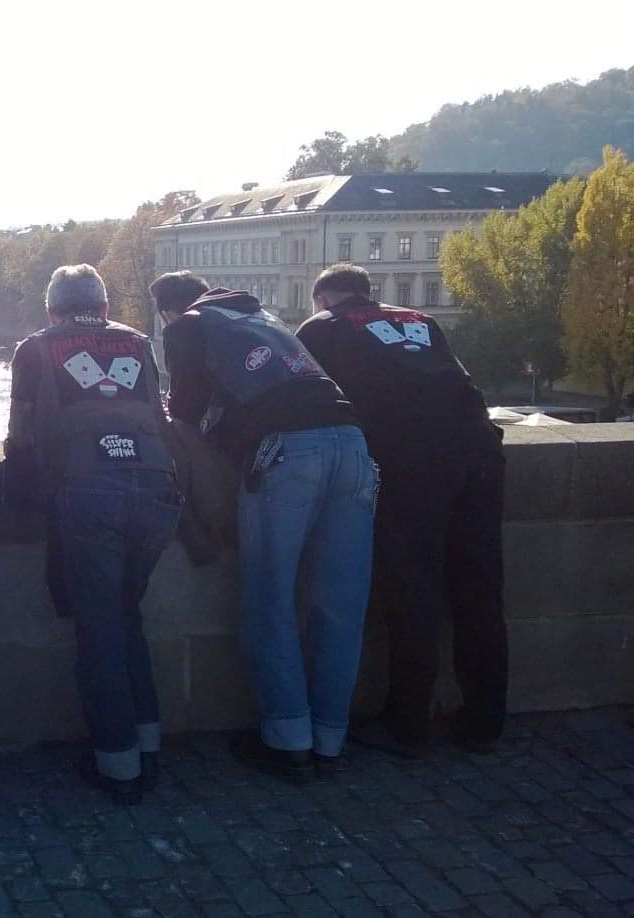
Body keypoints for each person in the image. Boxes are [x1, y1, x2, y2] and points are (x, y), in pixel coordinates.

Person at [151, 270, 375, 783]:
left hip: (287, 451)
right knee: (341, 606)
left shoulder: (186, 325)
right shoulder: (261, 316)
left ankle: (289, 740)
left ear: (166, 312)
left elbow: (183, 412)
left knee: (271, 602)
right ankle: (330, 739)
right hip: (352, 443)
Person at [296, 263, 507, 757]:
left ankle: (409, 724)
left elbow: (301, 398)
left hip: (410, 462)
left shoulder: (323, 327)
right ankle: (485, 724)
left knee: (415, 591)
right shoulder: (419, 319)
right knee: (481, 591)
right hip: (479, 454)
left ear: (323, 298)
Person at [5, 266, 179, 804]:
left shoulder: (37, 347)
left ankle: (118, 764)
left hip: (89, 488)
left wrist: (21, 495)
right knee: (128, 617)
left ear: (52, 310)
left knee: (99, 628)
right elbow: (159, 411)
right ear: (104, 308)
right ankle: (148, 743)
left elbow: (20, 433)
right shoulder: (138, 341)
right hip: (156, 487)